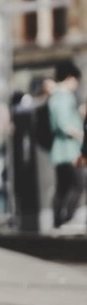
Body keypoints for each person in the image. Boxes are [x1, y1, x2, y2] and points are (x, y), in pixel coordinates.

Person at [48, 61, 85, 228]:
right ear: (70, 78)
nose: (76, 85)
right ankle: (68, 219)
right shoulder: (64, 96)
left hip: (59, 151)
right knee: (79, 183)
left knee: (62, 187)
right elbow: (65, 124)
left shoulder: (54, 97)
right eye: (75, 80)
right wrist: (81, 134)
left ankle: (58, 222)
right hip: (69, 150)